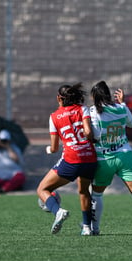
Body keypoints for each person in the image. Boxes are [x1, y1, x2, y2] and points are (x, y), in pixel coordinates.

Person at [88, 80, 132, 235]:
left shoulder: (94, 112)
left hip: (104, 158)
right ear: (108, 94)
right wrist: (123, 103)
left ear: (94, 96)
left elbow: (93, 135)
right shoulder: (120, 108)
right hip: (125, 155)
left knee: (96, 194)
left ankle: (95, 228)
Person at [36, 83, 97, 235]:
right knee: (84, 191)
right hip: (90, 158)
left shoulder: (54, 117)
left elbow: (55, 147)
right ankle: (87, 228)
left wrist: (49, 149)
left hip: (72, 160)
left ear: (59, 98)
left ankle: (58, 211)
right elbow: (89, 133)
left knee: (42, 189)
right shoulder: (83, 109)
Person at [0, 129, 26, 193]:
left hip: (12, 173)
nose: (3, 142)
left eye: (5, 140)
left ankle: (4, 188)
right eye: (2, 140)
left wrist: (8, 147)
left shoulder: (14, 148)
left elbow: (16, 159)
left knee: (20, 178)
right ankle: (8, 186)